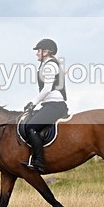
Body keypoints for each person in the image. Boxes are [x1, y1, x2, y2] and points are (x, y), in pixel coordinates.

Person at [22, 38, 68, 173]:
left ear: (46, 52)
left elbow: (47, 88)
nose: (37, 53)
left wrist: (33, 103)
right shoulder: (47, 65)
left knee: (31, 127)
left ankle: (39, 162)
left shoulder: (49, 66)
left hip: (55, 105)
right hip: (50, 104)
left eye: (38, 50)